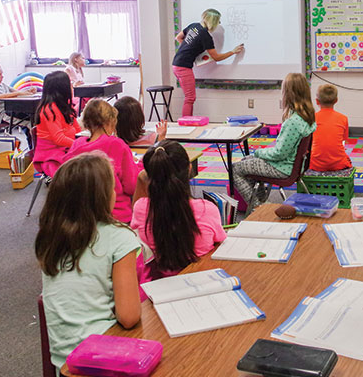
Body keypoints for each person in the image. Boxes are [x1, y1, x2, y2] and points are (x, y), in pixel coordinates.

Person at [36, 153, 140, 375]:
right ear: (102, 197)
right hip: (105, 359)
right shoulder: (120, 238)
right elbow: (129, 317)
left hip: (64, 364)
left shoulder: (51, 237)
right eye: (112, 188)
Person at [131, 140, 226, 280]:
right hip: (202, 281)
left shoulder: (141, 208)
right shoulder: (207, 209)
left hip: (159, 285)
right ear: (189, 169)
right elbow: (221, 242)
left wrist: (142, 179)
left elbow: (137, 236)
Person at [233, 73, 316, 213]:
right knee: (247, 160)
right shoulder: (307, 117)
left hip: (282, 168)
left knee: (235, 168)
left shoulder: (293, 122)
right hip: (294, 166)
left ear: (288, 94)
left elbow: (279, 153)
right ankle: (260, 202)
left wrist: (259, 152)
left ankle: (258, 208)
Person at [64, 99, 139, 223]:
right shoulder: (117, 145)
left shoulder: (76, 145)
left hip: (81, 216)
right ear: (109, 123)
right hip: (116, 215)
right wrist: (140, 165)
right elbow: (131, 186)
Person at [172, 8, 244, 117]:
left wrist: (190, 50)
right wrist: (232, 52)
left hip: (176, 64)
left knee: (189, 97)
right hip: (183, 67)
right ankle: (186, 123)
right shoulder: (205, 36)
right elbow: (216, 57)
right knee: (190, 98)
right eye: (218, 21)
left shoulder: (194, 26)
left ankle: (186, 122)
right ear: (213, 22)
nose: (219, 24)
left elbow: (178, 37)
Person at [33, 71, 81, 177]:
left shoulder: (66, 105)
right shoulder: (49, 109)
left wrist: (84, 141)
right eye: (69, 84)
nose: (72, 86)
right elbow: (59, 139)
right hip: (51, 153)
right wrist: (79, 145)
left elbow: (77, 130)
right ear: (62, 89)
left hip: (66, 148)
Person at [0, 62, 34, 146]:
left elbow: (17, 92)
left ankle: (35, 146)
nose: (2, 76)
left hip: (12, 111)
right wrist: (19, 94)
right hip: (3, 115)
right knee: (30, 122)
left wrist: (28, 91)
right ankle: (34, 148)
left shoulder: (2, 85)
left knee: (32, 116)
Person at [307, 84, 351, 174]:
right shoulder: (343, 118)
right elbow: (343, 141)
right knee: (347, 158)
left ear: (317, 101)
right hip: (339, 164)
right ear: (336, 100)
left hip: (315, 165)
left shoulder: (311, 118)